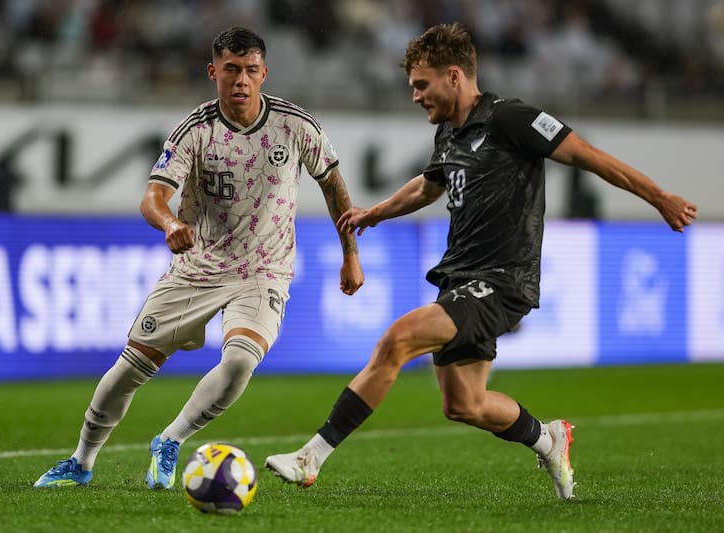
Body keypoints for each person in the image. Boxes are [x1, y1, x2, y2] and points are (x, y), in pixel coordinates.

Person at [264, 22, 697, 500]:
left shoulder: (512, 118)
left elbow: (588, 156)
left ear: (454, 76)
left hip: (503, 280)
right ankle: (547, 437)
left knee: (398, 339)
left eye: (420, 85)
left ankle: (311, 457)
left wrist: (659, 197)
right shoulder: (449, 134)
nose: (415, 96)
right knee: (464, 404)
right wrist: (378, 212)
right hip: (460, 278)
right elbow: (428, 186)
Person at [34, 26, 365, 489]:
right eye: (231, 70)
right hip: (200, 265)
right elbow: (153, 196)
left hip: (265, 269)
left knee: (239, 363)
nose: (242, 81)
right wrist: (171, 224)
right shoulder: (196, 129)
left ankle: (170, 440)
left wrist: (350, 254)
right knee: (129, 368)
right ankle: (82, 461)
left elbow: (334, 187)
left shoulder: (295, 126)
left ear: (264, 73)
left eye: (251, 70)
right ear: (214, 72)